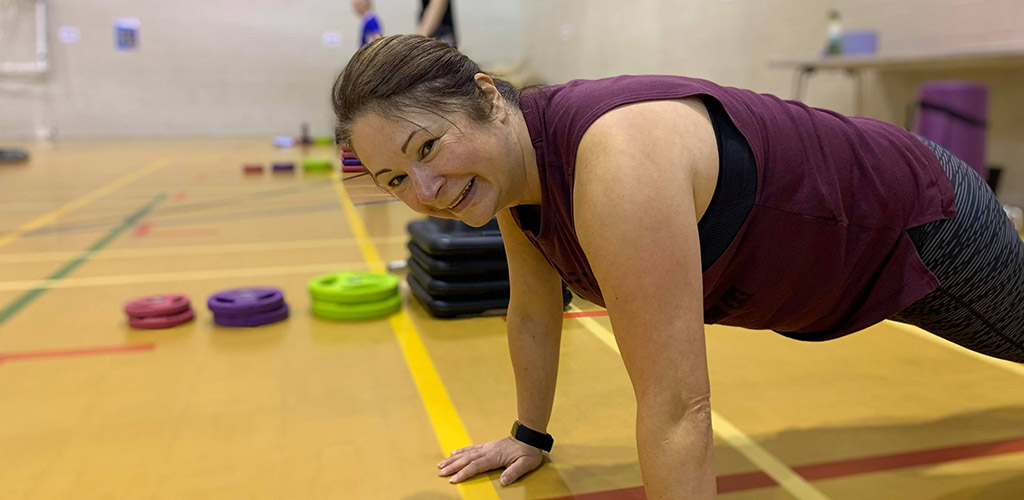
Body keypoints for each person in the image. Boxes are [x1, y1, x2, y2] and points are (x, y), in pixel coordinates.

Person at [331, 35, 1024, 498]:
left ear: (486, 96)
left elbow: (676, 408)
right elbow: (534, 314)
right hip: (841, 272)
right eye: (396, 180)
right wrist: (528, 437)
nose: (426, 192)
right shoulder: (513, 176)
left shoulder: (616, 159)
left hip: (918, 225)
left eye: (427, 149)